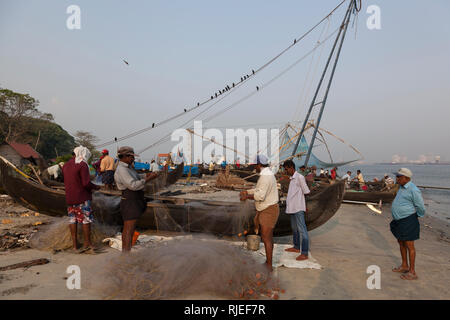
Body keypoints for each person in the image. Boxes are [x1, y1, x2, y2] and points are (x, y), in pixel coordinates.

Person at [114, 146, 159, 252]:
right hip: (130, 200)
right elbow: (133, 185)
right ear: (124, 157)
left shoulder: (128, 168)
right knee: (129, 229)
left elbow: (136, 176)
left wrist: (145, 175)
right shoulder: (122, 169)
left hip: (133, 200)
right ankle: (126, 253)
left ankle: (126, 251)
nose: (133, 159)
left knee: (129, 228)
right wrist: (148, 179)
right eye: (131, 157)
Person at [239, 155, 279, 272]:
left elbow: (260, 196)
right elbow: (258, 190)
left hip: (269, 210)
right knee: (267, 237)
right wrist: (247, 191)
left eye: (255, 165)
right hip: (265, 209)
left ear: (259, 165)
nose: (254, 167)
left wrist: (247, 196)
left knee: (266, 238)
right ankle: (268, 262)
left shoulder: (266, 177)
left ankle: (269, 266)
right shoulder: (265, 174)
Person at [63, 146, 101, 253]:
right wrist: (96, 187)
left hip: (70, 198)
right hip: (82, 197)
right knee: (85, 219)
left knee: (72, 219)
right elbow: (85, 183)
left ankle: (75, 245)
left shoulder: (65, 165)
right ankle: (87, 243)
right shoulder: (82, 165)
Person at [390, 168, 425, 280]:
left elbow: (420, 206)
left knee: (410, 246)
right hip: (399, 220)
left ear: (406, 178)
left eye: (399, 176)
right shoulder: (401, 187)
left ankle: (412, 272)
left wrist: (417, 216)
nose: (397, 178)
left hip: (408, 220)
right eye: (397, 176)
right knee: (401, 242)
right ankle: (405, 265)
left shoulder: (413, 189)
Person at [282, 160, 311, 261]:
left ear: (291, 167)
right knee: (294, 228)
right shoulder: (292, 179)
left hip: (298, 208)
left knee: (302, 230)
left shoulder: (300, 177)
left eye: (286, 169)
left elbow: (306, 191)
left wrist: (305, 205)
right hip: (292, 208)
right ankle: (296, 247)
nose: (285, 171)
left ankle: (304, 253)